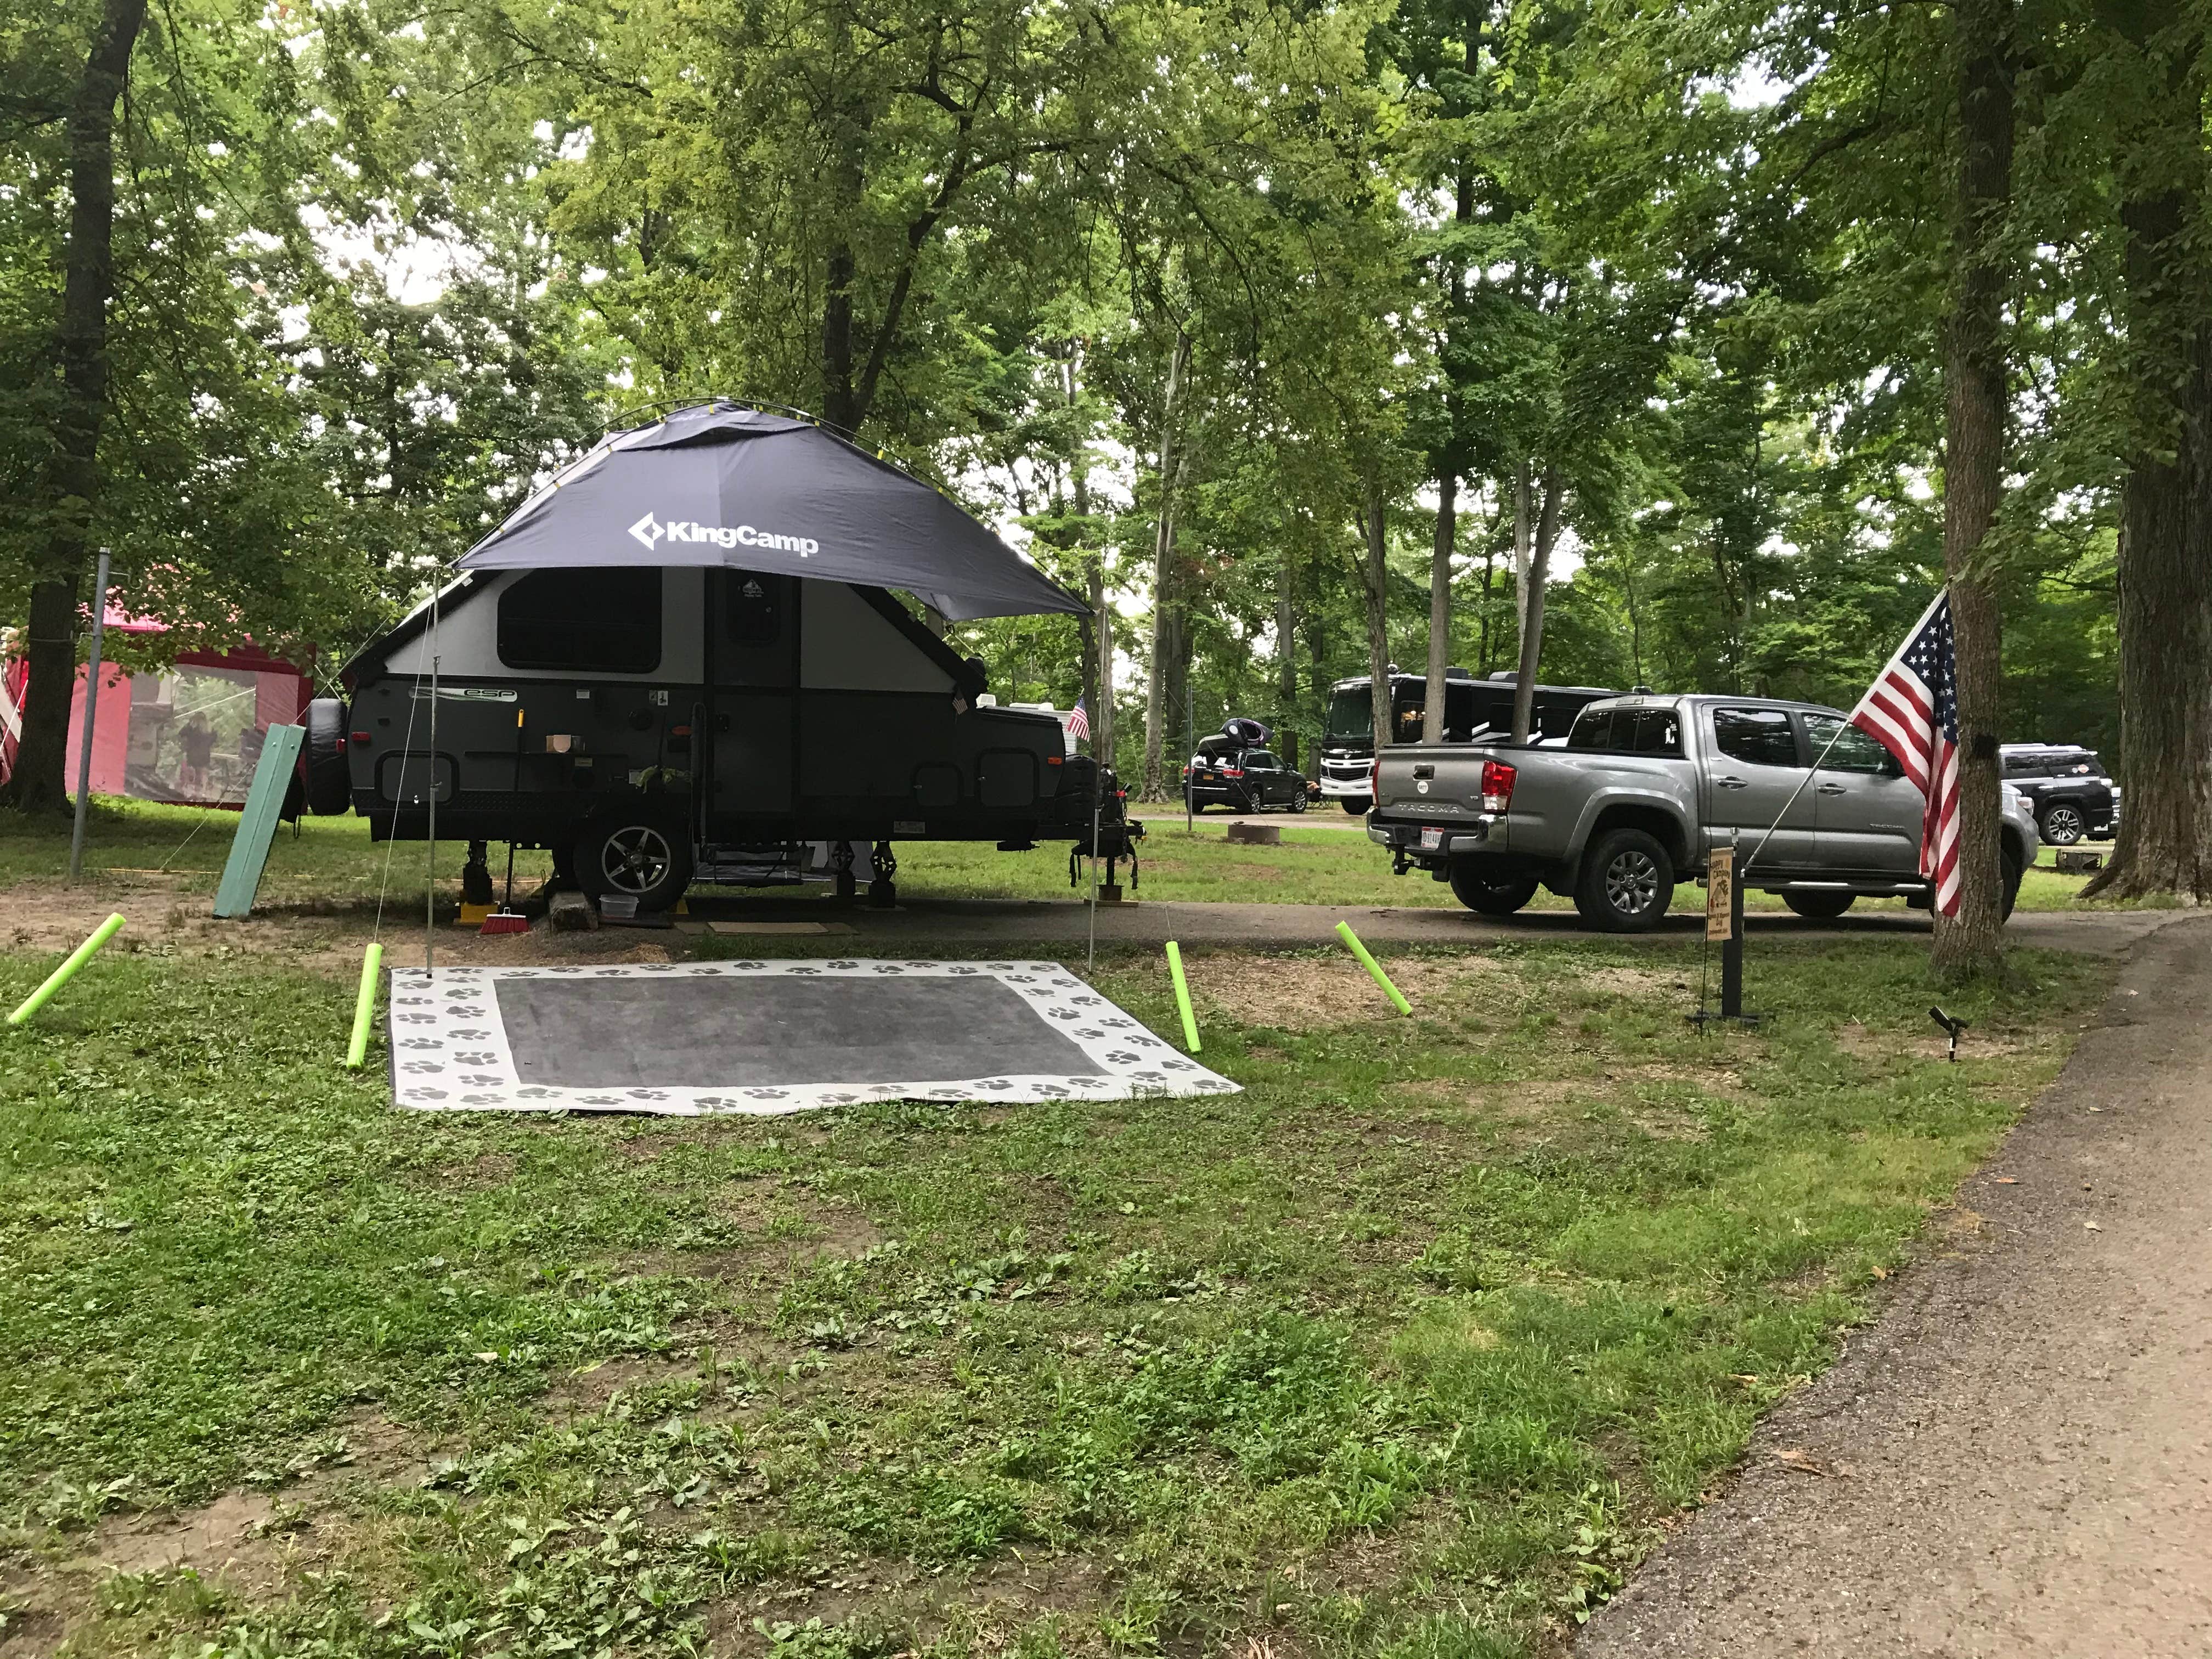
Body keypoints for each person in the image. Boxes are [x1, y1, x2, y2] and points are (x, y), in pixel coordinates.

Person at [178, 715, 217, 798]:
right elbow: (213, 740)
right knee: (200, 776)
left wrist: (189, 725)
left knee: (190, 776)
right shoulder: (209, 732)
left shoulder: (192, 730)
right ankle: (199, 793)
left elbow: (181, 733)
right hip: (204, 757)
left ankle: (191, 793)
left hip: (193, 756)